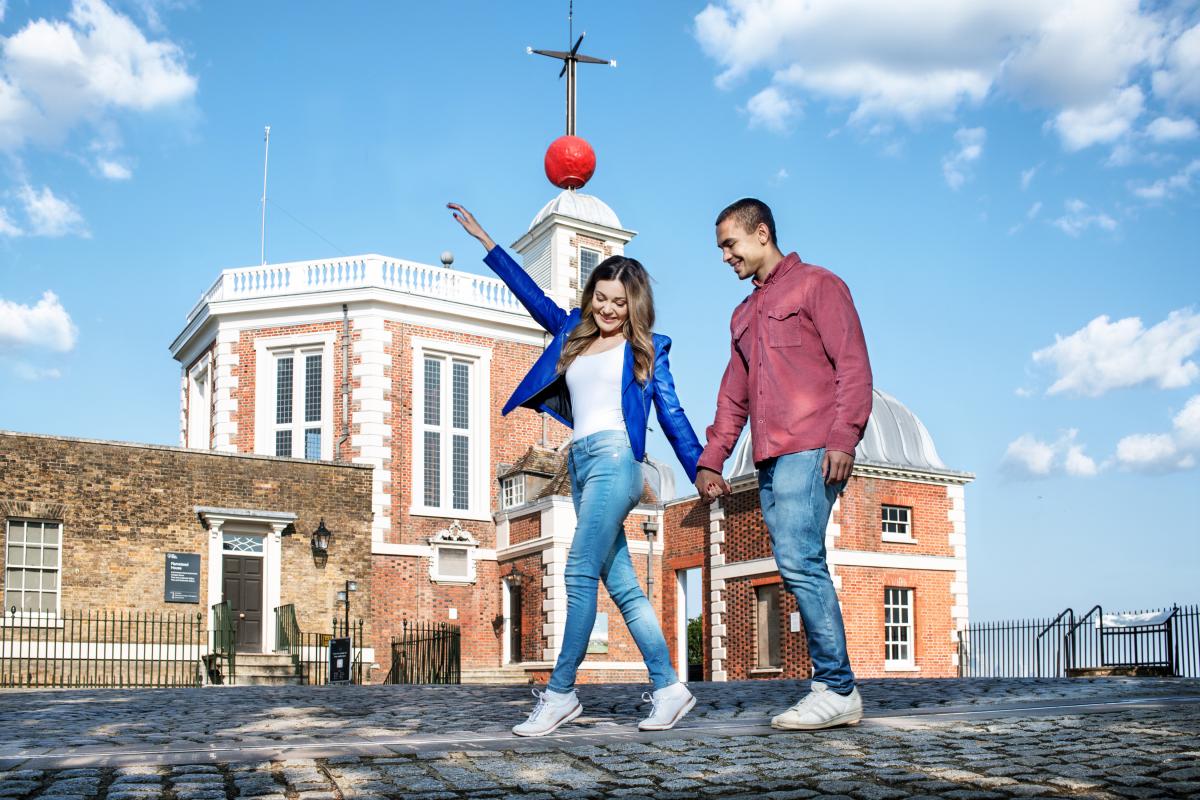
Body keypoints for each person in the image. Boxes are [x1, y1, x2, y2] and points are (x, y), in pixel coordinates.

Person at [449, 202, 703, 737]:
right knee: (626, 588)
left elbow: (674, 416)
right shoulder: (574, 333)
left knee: (577, 572)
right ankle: (670, 688)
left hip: (617, 460)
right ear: (591, 298)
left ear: (636, 305)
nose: (609, 309)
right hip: (581, 463)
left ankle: (561, 693)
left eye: (620, 302)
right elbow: (532, 298)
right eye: (601, 298)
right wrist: (487, 242)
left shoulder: (649, 351)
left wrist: (702, 469)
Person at [694, 198, 873, 731]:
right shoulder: (743, 314)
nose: (725, 256)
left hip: (814, 446)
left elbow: (854, 365)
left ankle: (837, 688)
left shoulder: (820, 285)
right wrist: (712, 459)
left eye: (731, 244)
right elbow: (734, 396)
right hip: (770, 458)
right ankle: (832, 686)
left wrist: (844, 436)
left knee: (799, 560)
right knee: (797, 563)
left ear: (762, 232)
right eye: (721, 248)